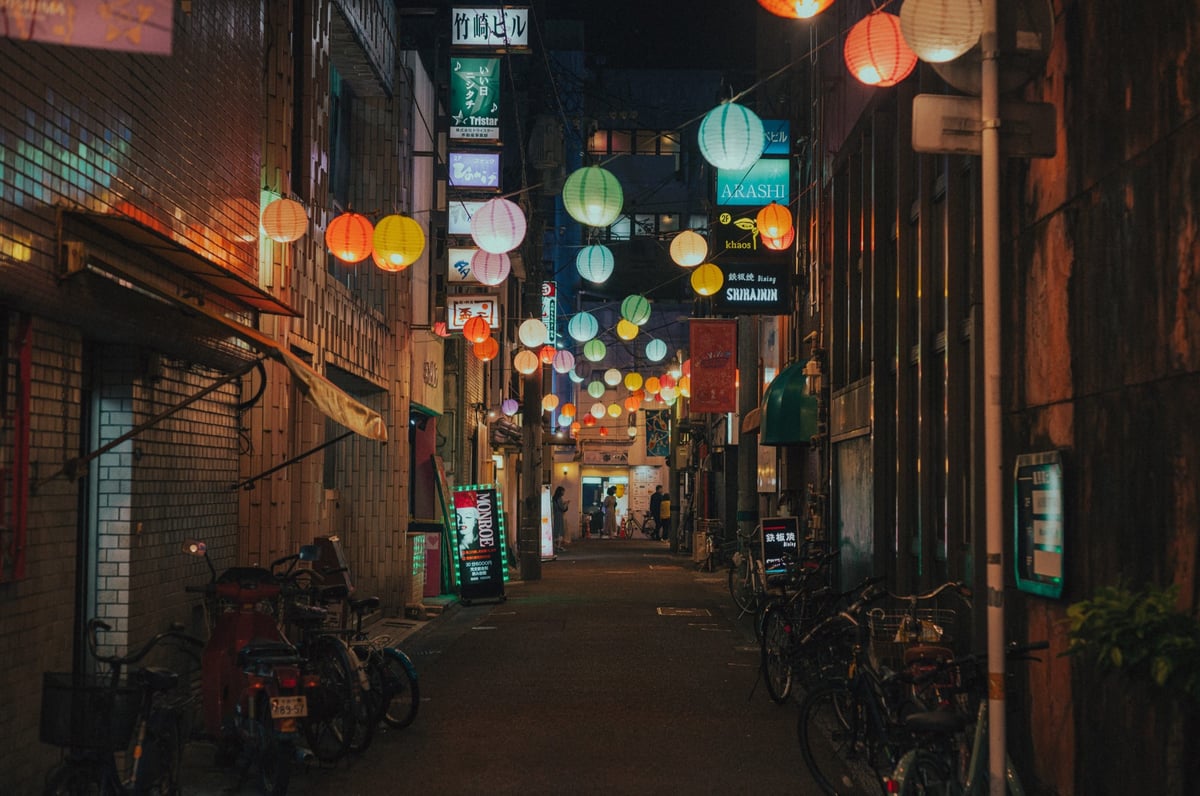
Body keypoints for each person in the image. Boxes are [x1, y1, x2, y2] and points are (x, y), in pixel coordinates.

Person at [552, 486, 569, 553]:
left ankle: (555, 546)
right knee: (560, 530)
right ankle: (558, 546)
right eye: (563, 491)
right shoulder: (559, 499)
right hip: (559, 516)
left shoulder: (554, 499)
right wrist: (566, 504)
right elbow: (562, 508)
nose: (563, 493)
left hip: (555, 516)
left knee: (556, 530)